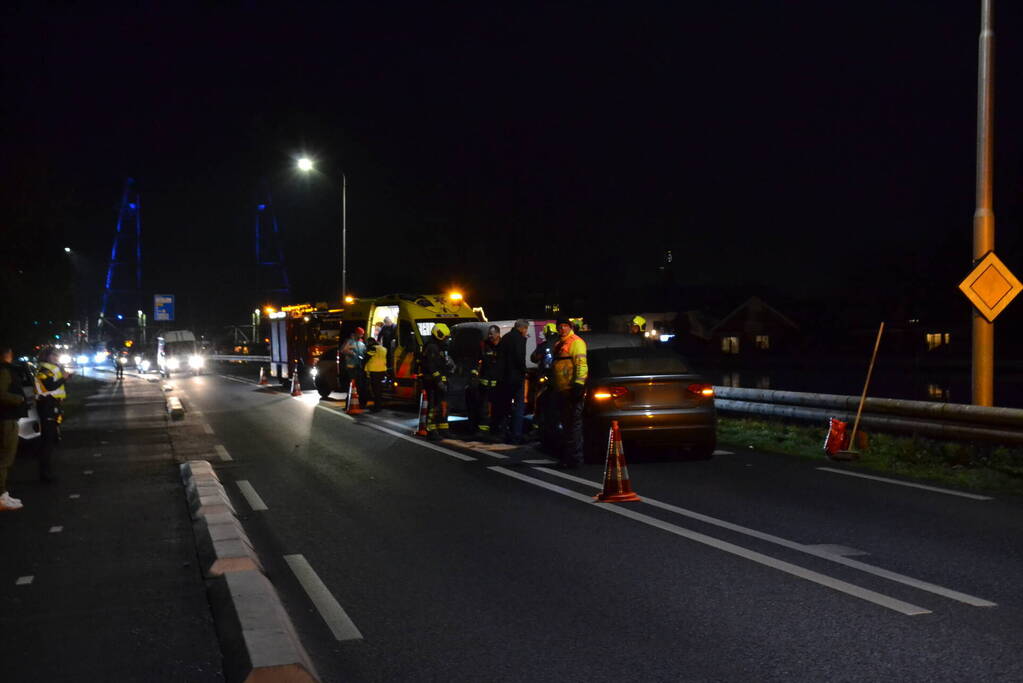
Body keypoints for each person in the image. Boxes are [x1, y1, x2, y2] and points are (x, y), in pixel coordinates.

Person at [551, 318, 588, 468]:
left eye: (565, 326)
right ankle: (569, 457)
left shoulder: (576, 342)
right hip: (561, 389)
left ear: (570, 327)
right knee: (567, 425)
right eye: (560, 326)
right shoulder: (558, 344)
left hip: (572, 389)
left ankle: (575, 458)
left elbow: (581, 364)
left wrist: (579, 384)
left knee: (573, 425)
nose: (562, 329)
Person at [35, 346, 69, 483]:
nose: (56, 358)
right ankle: (44, 473)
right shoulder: (44, 370)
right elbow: (49, 386)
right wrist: (64, 379)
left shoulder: (53, 369)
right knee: (47, 440)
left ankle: (47, 470)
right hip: (47, 405)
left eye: (57, 355)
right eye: (54, 355)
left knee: (51, 439)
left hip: (53, 405)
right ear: (47, 357)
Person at [0, 347, 27, 510]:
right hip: (6, 419)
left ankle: (4, 495)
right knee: (5, 458)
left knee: (6, 458)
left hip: (8, 418)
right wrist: (18, 399)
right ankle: (2, 496)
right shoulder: (4, 371)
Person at [496, 319, 529, 444]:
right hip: (516, 377)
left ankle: (504, 433)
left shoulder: (505, 338)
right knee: (519, 406)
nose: (526, 332)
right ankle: (516, 435)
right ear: (522, 328)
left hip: (505, 378)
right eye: (526, 329)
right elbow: (519, 357)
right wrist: (524, 371)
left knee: (505, 406)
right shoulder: (520, 339)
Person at [467, 325, 501, 438]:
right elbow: (477, 360)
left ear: (498, 334)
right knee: (483, 407)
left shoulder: (503, 346)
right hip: (485, 383)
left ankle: (496, 429)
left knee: (497, 408)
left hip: (498, 384)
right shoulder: (484, 345)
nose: (490, 336)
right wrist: (474, 375)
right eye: (489, 334)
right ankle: (483, 430)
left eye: (492, 334)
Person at [529, 322, 560, 449]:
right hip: (556, 380)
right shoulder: (560, 344)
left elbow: (533, 358)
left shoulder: (544, 345)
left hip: (545, 379)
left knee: (540, 402)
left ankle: (538, 428)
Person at [421, 323, 453, 440]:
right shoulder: (432, 347)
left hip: (438, 380)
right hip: (432, 381)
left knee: (442, 405)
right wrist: (439, 380)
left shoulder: (439, 347)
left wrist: (449, 366)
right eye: (445, 337)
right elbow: (431, 367)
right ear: (438, 335)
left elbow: (440, 365)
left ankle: (443, 428)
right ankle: (431, 430)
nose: (447, 340)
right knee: (433, 406)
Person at [341, 327, 369, 404]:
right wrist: (351, 353)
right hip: (351, 366)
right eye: (360, 334)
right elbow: (343, 350)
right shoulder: (349, 341)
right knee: (351, 384)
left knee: (358, 385)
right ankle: (348, 402)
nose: (361, 336)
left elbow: (364, 352)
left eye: (362, 334)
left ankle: (356, 401)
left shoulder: (361, 342)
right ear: (356, 333)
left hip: (359, 366)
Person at [364, 337, 388, 412]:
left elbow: (366, 358)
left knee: (375, 390)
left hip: (374, 371)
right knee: (379, 389)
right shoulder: (384, 348)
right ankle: (379, 405)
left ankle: (377, 407)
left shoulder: (373, 348)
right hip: (382, 370)